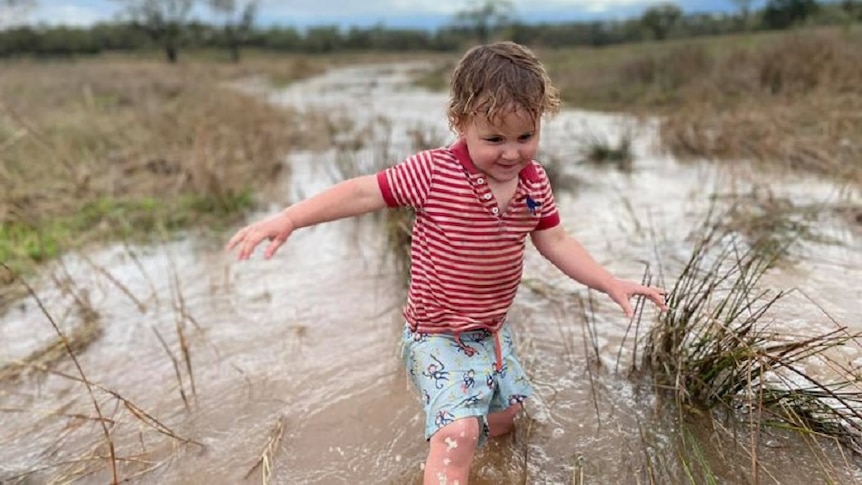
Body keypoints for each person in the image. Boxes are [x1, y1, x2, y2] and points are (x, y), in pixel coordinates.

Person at [226, 41, 668, 485]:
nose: (511, 153)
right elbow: (363, 192)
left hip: (492, 332)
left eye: (525, 137)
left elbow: (555, 239)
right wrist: (289, 218)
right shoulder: (434, 172)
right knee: (458, 432)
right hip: (435, 334)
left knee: (505, 420)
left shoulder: (534, 181)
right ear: (460, 123)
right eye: (494, 139)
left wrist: (608, 281)